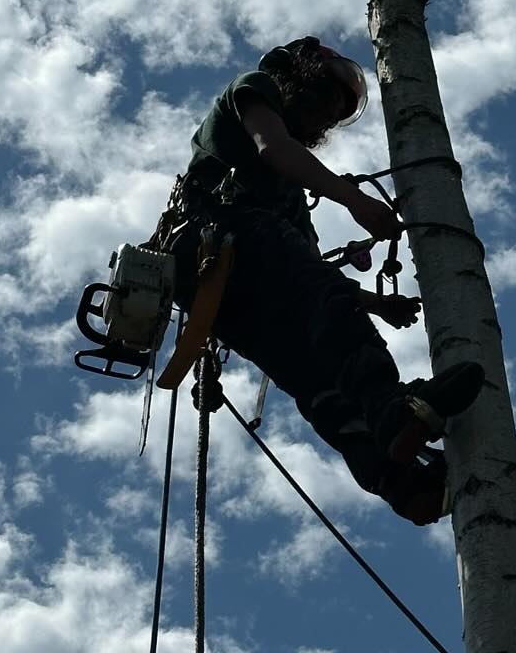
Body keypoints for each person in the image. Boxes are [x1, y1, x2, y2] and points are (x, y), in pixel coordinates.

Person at [158, 36, 483, 524]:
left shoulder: (288, 196)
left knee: (315, 378)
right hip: (216, 235)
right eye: (327, 97)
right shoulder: (254, 89)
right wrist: (355, 201)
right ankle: (392, 410)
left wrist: (376, 302)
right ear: (300, 75)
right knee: (327, 311)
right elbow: (273, 147)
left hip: (224, 288)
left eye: (336, 113)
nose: (328, 116)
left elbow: (309, 272)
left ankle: (391, 475)